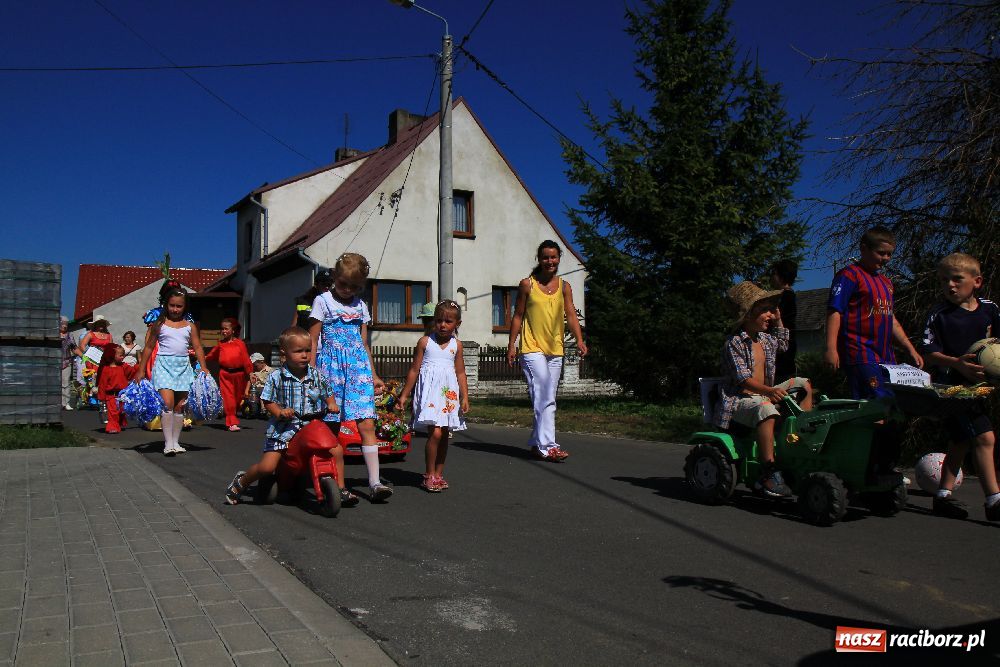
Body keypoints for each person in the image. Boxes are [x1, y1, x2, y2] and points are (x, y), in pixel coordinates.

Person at [224, 327, 358, 508]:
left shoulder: (316, 375)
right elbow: (268, 400)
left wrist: (331, 404)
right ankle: (242, 481)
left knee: (336, 450)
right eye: (299, 351)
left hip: (311, 426)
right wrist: (279, 411)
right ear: (284, 353)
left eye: (308, 350)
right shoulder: (277, 376)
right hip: (283, 429)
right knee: (267, 467)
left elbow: (327, 393)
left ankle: (340, 488)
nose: (305, 355)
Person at [715, 281, 814, 497]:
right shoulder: (734, 343)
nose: (769, 315)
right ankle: (768, 472)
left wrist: (779, 319)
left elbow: (784, 344)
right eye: (764, 311)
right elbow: (743, 380)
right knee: (766, 409)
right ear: (748, 315)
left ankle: (802, 434)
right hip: (740, 399)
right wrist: (769, 392)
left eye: (770, 310)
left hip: (763, 394)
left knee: (803, 383)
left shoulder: (765, 340)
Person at [921, 252, 1000, 521]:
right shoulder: (939, 314)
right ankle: (994, 501)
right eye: (944, 281)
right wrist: (957, 363)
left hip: (981, 388)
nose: (950, 286)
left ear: (976, 282)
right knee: (984, 437)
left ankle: (943, 496)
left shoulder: (991, 309)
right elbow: (928, 351)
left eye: (957, 279)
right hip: (952, 389)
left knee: (960, 442)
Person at [308, 253, 392, 501]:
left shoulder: (361, 306)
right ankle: (337, 484)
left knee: (367, 424)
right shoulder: (323, 301)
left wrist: (374, 374)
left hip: (358, 370)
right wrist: (312, 373)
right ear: (334, 277)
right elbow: (313, 340)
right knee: (332, 427)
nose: (347, 290)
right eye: (343, 283)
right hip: (331, 369)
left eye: (353, 286)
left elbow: (364, 344)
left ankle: (375, 483)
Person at [505, 240, 587, 462]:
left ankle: (536, 442)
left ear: (559, 258)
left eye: (553, 257)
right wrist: (512, 344)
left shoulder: (565, 287)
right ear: (539, 259)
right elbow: (518, 316)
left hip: (555, 348)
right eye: (545, 257)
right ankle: (549, 446)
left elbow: (571, 315)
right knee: (545, 395)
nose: (550, 261)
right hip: (531, 348)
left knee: (545, 397)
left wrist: (579, 340)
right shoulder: (527, 285)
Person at [825, 227, 924, 399]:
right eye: (881, 253)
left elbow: (890, 318)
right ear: (864, 249)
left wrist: (910, 349)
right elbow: (834, 311)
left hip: (885, 354)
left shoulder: (886, 283)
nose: (886, 258)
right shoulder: (849, 276)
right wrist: (830, 348)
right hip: (860, 351)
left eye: (889, 254)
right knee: (872, 402)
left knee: (890, 400)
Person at [396, 300, 470, 492]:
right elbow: (414, 370)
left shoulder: (457, 345)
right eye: (439, 320)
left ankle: (439, 473)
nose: (443, 325)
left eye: (448, 321)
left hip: (448, 395)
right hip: (429, 394)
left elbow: (460, 372)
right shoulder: (425, 342)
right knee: (435, 432)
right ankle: (429, 474)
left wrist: (465, 396)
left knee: (444, 435)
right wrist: (404, 395)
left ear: (457, 324)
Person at [134, 288, 209, 456]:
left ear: (185, 307)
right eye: (172, 305)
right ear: (166, 305)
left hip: (183, 367)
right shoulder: (159, 325)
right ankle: (168, 443)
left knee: (179, 407)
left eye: (179, 306)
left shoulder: (190, 326)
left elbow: (197, 347)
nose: (175, 309)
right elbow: (148, 347)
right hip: (163, 366)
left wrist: (203, 367)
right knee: (167, 403)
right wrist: (141, 370)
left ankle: (176, 442)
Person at [206, 317, 253, 431]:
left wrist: (250, 373)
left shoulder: (240, 344)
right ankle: (232, 422)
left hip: (239, 375)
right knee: (229, 399)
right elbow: (211, 356)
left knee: (237, 399)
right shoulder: (220, 344)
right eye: (222, 329)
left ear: (233, 330)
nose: (224, 331)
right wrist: (199, 357)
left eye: (226, 329)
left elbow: (246, 359)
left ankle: (233, 415)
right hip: (225, 374)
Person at [770, 259, 798, 383]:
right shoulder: (789, 296)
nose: (772, 277)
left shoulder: (785, 297)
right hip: (786, 349)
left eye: (774, 274)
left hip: (782, 350)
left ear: (781, 277)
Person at [96, 344, 134, 434]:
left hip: (122, 395)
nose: (122, 357)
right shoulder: (106, 369)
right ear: (112, 356)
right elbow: (102, 384)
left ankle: (119, 422)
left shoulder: (124, 366)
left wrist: (138, 368)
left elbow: (131, 373)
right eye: (120, 355)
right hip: (111, 395)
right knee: (113, 412)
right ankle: (112, 427)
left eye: (123, 355)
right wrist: (101, 397)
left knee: (121, 411)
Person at [60, 316, 80, 410]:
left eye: (66, 324)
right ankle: (58, 403)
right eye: (62, 324)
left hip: (67, 361)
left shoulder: (70, 335)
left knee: (66, 382)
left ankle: (66, 403)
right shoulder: (54, 334)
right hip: (54, 361)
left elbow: (74, 348)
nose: (64, 326)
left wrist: (83, 356)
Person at [246, 352, 273, 419]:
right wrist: (246, 390)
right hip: (255, 390)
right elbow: (249, 381)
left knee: (263, 391)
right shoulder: (253, 372)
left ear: (262, 362)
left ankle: (263, 409)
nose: (255, 366)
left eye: (256, 365)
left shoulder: (270, 371)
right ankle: (254, 410)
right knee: (254, 394)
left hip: (266, 389)